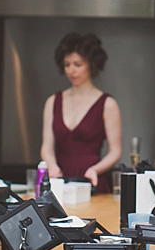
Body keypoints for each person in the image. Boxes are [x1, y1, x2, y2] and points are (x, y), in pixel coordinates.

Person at [40, 32, 122, 193]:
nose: (71, 70)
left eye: (78, 64)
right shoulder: (53, 101)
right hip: (59, 180)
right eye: (67, 64)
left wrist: (95, 170)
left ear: (91, 65)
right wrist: (52, 166)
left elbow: (115, 152)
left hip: (91, 181)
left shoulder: (108, 104)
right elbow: (47, 147)